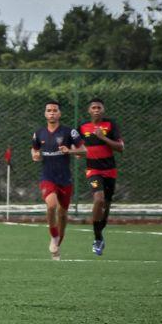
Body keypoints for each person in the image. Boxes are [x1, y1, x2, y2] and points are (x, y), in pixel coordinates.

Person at [64, 98, 125, 256]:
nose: (96, 110)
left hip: (110, 170)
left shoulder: (111, 125)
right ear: (89, 111)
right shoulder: (83, 127)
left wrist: (103, 137)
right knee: (98, 199)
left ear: (103, 110)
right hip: (93, 170)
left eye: (99, 107)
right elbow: (74, 144)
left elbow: (120, 147)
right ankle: (97, 238)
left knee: (106, 206)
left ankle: (99, 235)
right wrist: (75, 151)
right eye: (93, 107)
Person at [31, 100, 82, 260]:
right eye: (49, 110)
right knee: (52, 205)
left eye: (55, 110)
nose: (52, 113)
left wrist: (71, 151)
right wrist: (36, 156)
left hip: (65, 179)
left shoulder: (69, 132)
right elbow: (34, 150)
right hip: (48, 177)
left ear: (59, 114)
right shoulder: (38, 133)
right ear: (45, 114)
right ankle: (53, 236)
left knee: (63, 214)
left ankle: (58, 243)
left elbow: (84, 150)